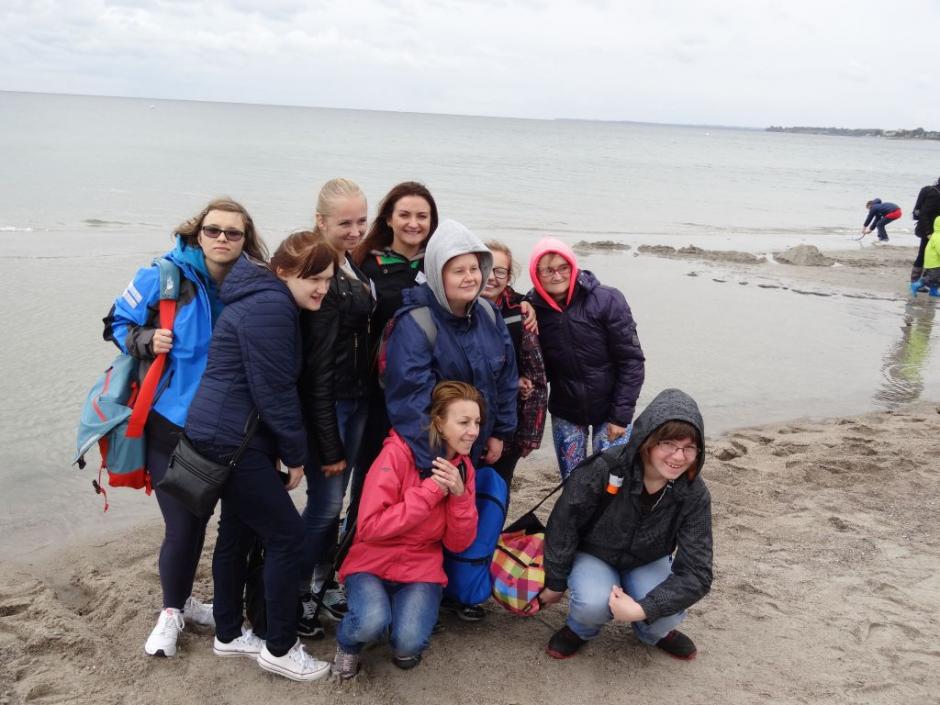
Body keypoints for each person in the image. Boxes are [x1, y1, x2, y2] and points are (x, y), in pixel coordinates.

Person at [103, 198, 268, 658]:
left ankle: (203, 606)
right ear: (198, 233)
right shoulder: (163, 277)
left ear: (245, 240)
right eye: (213, 230)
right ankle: (172, 612)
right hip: (171, 425)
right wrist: (145, 339)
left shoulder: (256, 284)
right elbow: (114, 323)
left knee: (222, 525)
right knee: (182, 524)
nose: (222, 239)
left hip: (234, 429)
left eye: (233, 233)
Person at [184, 231, 337, 681]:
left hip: (223, 433)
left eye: (328, 279)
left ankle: (229, 633)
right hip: (233, 440)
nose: (322, 288)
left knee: (237, 531)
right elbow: (274, 391)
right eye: (313, 278)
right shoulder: (272, 308)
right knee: (288, 536)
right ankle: (281, 647)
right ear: (282, 271)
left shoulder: (262, 298)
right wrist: (295, 455)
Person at [540, 388, 712, 662]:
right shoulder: (606, 467)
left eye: (689, 447)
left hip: (649, 559)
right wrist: (556, 580)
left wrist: (643, 609)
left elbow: (697, 572)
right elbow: (564, 522)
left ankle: (653, 632)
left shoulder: (694, 492)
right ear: (648, 441)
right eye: (669, 443)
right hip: (594, 554)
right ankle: (580, 629)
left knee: (667, 614)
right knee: (592, 604)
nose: (679, 457)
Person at [331, 381, 481, 678]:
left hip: (420, 567)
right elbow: (370, 527)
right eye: (464, 422)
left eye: (477, 422)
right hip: (371, 563)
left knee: (408, 646)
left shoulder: (463, 469)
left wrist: (460, 497)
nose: (474, 431)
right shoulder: (397, 454)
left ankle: (392, 621)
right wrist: (430, 493)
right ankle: (348, 643)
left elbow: (458, 543)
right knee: (371, 622)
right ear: (439, 423)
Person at [297, 178, 374, 637]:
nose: (355, 230)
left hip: (358, 398)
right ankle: (298, 591)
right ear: (320, 221)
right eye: (345, 222)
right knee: (325, 505)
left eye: (361, 220)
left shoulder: (349, 263)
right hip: (332, 405)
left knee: (339, 503)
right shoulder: (318, 272)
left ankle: (322, 582)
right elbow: (317, 368)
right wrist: (327, 443)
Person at [350, 182, 439, 521]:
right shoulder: (365, 263)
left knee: (418, 469)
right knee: (371, 470)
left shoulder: (438, 263)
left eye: (422, 216)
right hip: (376, 388)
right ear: (388, 218)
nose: (413, 223)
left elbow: (475, 288)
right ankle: (355, 536)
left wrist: (524, 305)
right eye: (404, 215)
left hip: (426, 386)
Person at [526, 237, 645, 480]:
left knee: (612, 481)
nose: (557, 275)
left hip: (611, 409)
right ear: (536, 274)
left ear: (573, 266)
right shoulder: (531, 309)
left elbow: (631, 361)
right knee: (574, 482)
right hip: (566, 411)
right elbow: (537, 366)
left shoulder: (607, 299)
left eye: (563, 267)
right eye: (548, 270)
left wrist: (620, 416)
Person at [480, 240, 547, 497]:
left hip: (509, 425)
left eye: (500, 271)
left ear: (509, 277)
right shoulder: (457, 306)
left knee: (497, 491)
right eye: (486, 267)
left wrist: (530, 436)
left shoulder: (520, 313)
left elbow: (537, 378)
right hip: (467, 423)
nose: (491, 277)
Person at [911, 178, 940, 284]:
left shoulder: (931, 191)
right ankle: (917, 281)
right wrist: (928, 232)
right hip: (930, 230)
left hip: (930, 228)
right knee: (924, 254)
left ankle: (923, 281)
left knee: (926, 254)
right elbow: (924, 213)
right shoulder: (935, 195)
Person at [910, 215, 940, 298]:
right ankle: (916, 285)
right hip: (934, 262)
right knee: (932, 277)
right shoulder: (938, 237)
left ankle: (933, 291)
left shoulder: (936, 235)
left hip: (936, 261)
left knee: (937, 278)